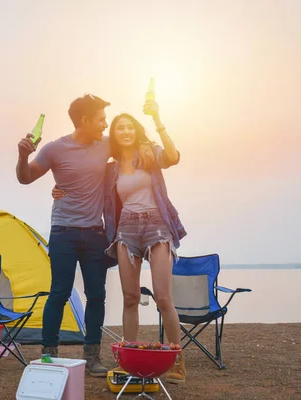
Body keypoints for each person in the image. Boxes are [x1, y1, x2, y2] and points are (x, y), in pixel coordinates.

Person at [16, 94, 154, 377]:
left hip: (95, 234)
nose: (105, 125)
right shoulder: (55, 149)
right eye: (102, 120)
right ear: (85, 121)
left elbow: (131, 142)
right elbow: (26, 177)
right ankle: (48, 357)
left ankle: (92, 358)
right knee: (59, 293)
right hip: (63, 232)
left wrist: (148, 140)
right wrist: (22, 155)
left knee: (96, 296)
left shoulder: (106, 146)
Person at [52, 99, 188, 383]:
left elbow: (174, 157)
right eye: (119, 128)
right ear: (113, 135)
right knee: (130, 298)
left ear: (136, 130)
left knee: (163, 298)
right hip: (126, 231)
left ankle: (178, 363)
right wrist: (59, 189)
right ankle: (131, 363)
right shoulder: (110, 168)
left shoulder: (148, 153)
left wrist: (158, 120)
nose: (124, 131)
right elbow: (82, 182)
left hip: (156, 228)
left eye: (129, 127)